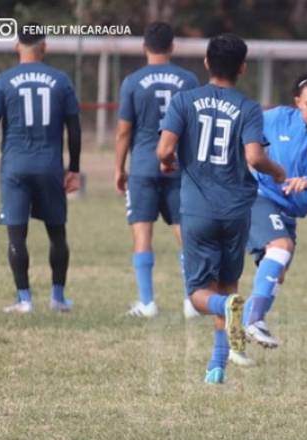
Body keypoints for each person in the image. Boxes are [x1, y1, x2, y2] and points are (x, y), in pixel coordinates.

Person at [156, 34, 285, 383]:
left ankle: (222, 312)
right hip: (236, 211)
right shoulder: (247, 107)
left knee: (202, 294)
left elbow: (164, 150)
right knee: (229, 284)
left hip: (197, 210)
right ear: (243, 67)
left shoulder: (184, 101)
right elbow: (255, 157)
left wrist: (169, 162)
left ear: (207, 63)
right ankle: (216, 367)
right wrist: (277, 171)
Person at [230, 70, 307, 366]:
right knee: (281, 247)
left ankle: (236, 341)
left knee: (277, 273)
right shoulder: (275, 118)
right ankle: (255, 320)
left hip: (288, 212)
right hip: (257, 197)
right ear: (297, 102)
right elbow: (241, 132)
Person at [0, 25, 81, 313]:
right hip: (49, 166)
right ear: (44, 47)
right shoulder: (61, 80)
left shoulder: (3, 80)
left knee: (16, 235)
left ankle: (24, 300)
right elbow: (74, 128)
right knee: (57, 233)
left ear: (16, 46)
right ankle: (58, 298)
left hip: (15, 167)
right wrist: (73, 167)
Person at [115, 22, 200, 318]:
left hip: (142, 167)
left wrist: (119, 168)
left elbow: (124, 131)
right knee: (185, 234)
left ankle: (147, 303)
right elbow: (195, 127)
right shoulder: (189, 80)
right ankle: (192, 301)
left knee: (142, 234)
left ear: (144, 47)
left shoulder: (133, 81)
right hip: (178, 168)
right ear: (172, 46)